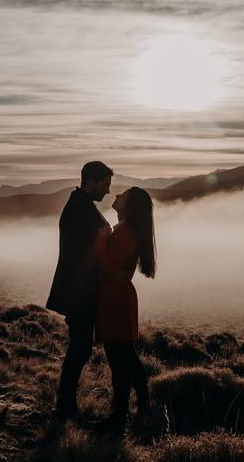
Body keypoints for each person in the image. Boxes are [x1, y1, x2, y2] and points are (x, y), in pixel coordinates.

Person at [46, 161, 113, 419]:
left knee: (80, 347)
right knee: (80, 348)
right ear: (91, 181)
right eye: (105, 185)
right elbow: (89, 251)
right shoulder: (80, 208)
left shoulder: (80, 205)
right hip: (80, 291)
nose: (107, 191)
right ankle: (64, 405)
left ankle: (65, 404)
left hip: (80, 289)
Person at [94, 186, 156, 434]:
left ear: (128, 205)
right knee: (123, 357)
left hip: (115, 298)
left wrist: (100, 237)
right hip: (116, 296)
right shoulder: (127, 230)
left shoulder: (123, 232)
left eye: (122, 195)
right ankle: (133, 411)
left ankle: (124, 414)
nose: (116, 196)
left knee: (121, 358)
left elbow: (107, 265)